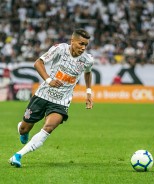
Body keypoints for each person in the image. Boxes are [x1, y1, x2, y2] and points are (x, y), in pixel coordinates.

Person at [9, 28, 95, 167]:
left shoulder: (87, 60)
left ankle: (18, 156)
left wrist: (89, 93)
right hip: (43, 94)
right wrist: (49, 80)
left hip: (61, 101)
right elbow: (38, 63)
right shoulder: (59, 49)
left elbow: (88, 73)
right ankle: (22, 129)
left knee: (48, 127)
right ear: (72, 41)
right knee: (24, 129)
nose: (83, 48)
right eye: (81, 44)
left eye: (86, 45)